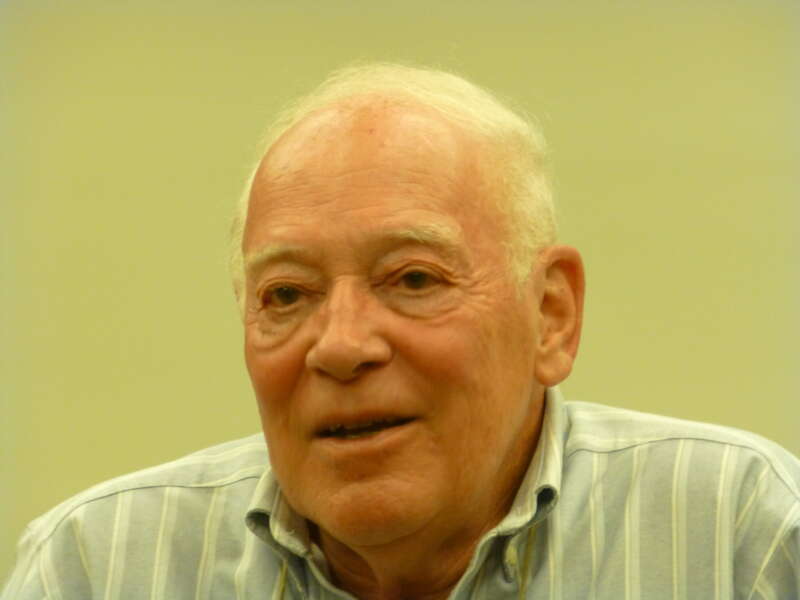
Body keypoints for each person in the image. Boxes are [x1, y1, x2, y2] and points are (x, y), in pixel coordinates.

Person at [3, 63, 799, 600]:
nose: (342, 345)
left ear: (552, 314)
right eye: (286, 293)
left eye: (413, 279)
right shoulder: (97, 568)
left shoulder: (740, 539)